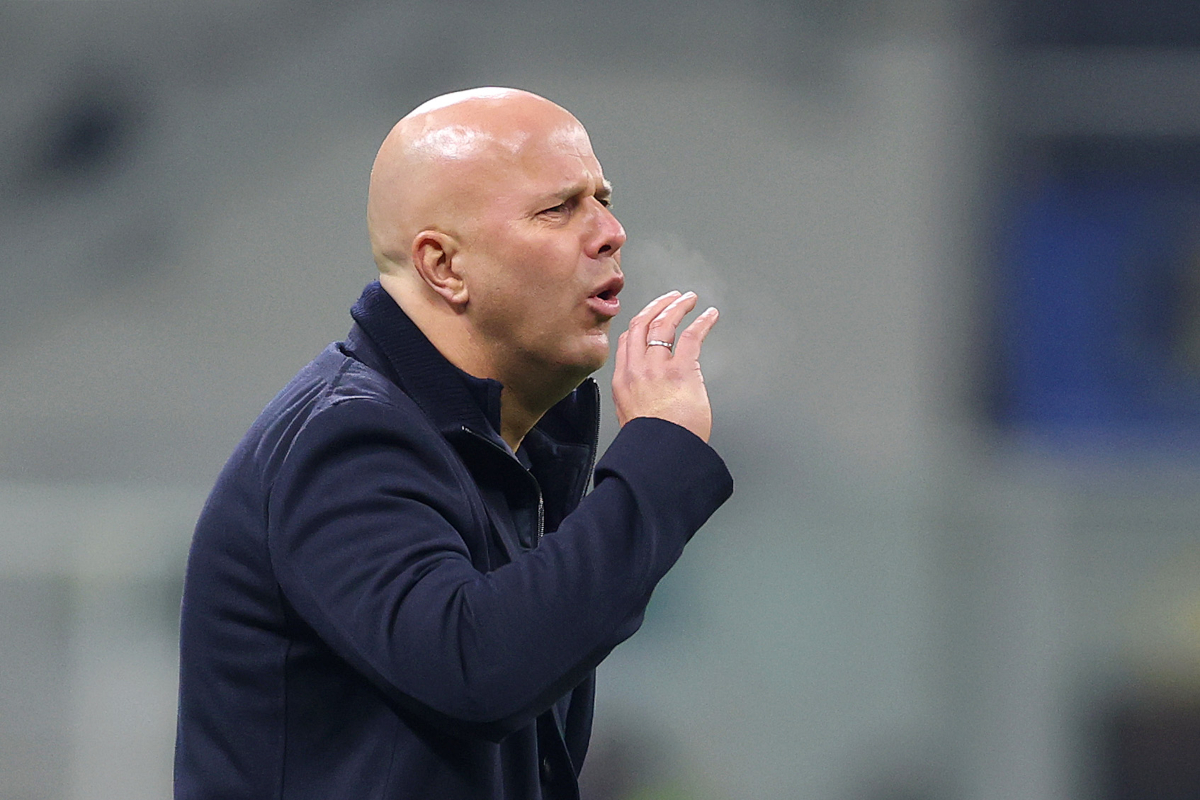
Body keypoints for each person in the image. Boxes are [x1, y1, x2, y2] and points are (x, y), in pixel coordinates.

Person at [174, 87, 733, 800]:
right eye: (559, 209)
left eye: (603, 198)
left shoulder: (498, 454)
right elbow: (481, 668)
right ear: (444, 266)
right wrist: (658, 458)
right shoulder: (350, 438)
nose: (609, 231)